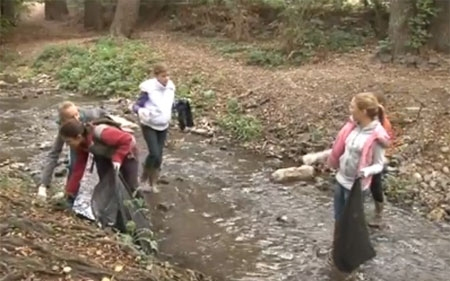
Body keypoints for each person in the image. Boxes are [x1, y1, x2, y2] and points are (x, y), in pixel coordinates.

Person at [327, 92, 390, 221]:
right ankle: (339, 241)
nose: (350, 110)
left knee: (352, 223)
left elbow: (379, 164)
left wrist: (366, 171)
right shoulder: (352, 127)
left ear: (364, 111)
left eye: (352, 107)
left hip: (357, 187)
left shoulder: (377, 136)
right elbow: (341, 149)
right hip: (341, 180)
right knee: (338, 219)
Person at [58, 118, 139, 205]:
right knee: (107, 184)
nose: (67, 145)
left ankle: (141, 207)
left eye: (69, 141)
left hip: (127, 153)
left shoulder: (103, 133)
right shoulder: (81, 144)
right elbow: (79, 167)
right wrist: (70, 189)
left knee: (131, 184)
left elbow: (127, 139)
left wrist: (117, 158)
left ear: (78, 136)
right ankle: (114, 208)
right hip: (105, 155)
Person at [37, 101, 107, 200]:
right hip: (77, 143)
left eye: (77, 114)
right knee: (74, 165)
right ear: (63, 121)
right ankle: (70, 194)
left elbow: (104, 113)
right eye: (71, 117)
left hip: (97, 142)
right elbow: (54, 154)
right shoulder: (63, 128)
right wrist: (43, 185)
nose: (76, 119)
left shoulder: (90, 115)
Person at [132, 63, 175, 193]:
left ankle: (153, 183)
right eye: (163, 76)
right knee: (154, 153)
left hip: (163, 125)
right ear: (156, 76)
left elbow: (168, 104)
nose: (166, 78)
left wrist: (178, 107)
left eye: (167, 75)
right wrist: (140, 111)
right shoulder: (148, 89)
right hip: (149, 124)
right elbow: (135, 106)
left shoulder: (171, 87)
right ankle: (144, 178)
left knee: (159, 156)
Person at [368, 91, 395, 227]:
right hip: (367, 159)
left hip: (376, 160)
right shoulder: (369, 119)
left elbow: (387, 140)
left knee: (375, 186)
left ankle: (379, 214)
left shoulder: (383, 122)